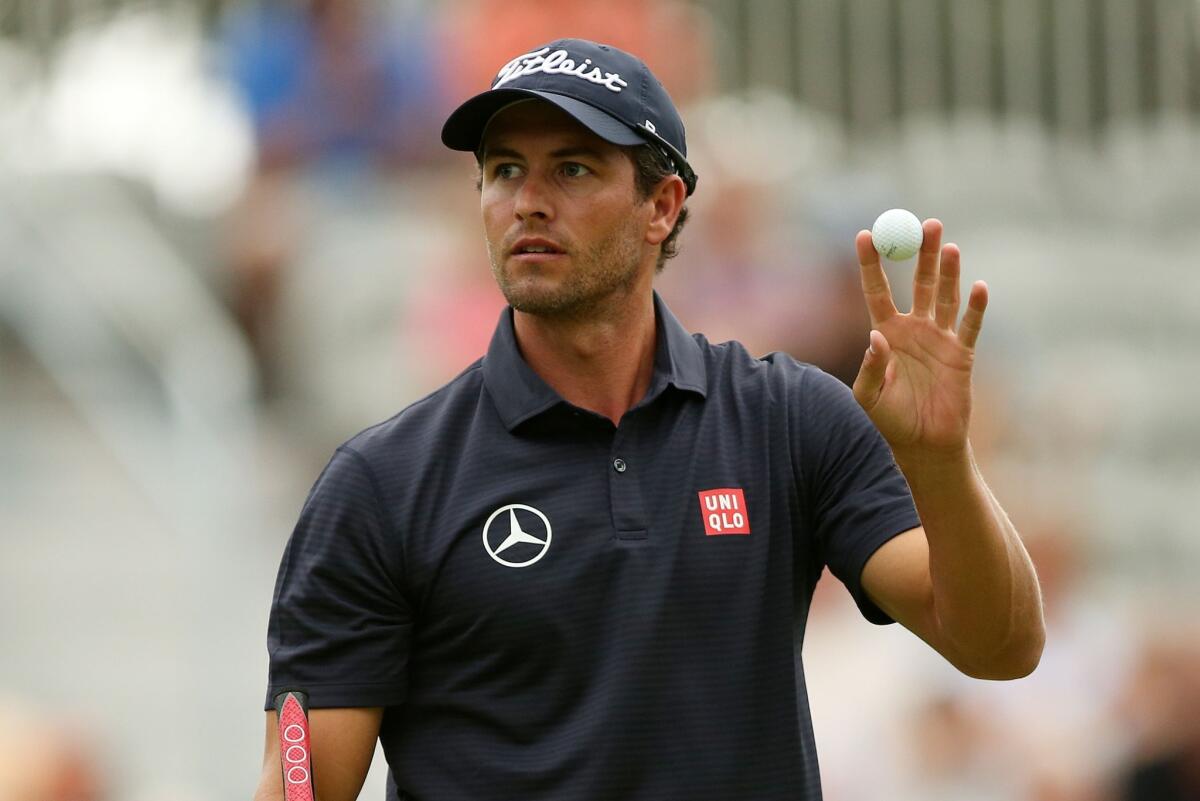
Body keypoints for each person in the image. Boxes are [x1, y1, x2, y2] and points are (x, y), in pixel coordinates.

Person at [254, 39, 1045, 801]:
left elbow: (998, 645)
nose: (528, 199)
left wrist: (941, 464)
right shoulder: (383, 481)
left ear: (661, 206)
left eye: (571, 168)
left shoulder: (787, 419)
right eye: (504, 171)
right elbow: (301, 784)